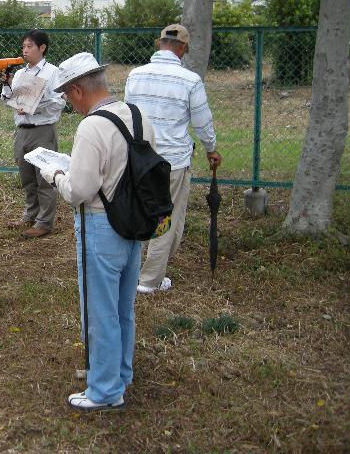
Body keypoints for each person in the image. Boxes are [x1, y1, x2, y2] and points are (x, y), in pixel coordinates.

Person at [41, 52, 156, 411]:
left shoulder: (92, 126)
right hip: (133, 222)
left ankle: (105, 390)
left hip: (99, 225)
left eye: (65, 95)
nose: (67, 102)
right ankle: (118, 373)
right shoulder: (137, 115)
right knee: (123, 306)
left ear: (77, 90)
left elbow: (80, 191)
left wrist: (56, 174)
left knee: (98, 309)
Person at [124, 24, 222, 294]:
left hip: (141, 158)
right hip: (173, 162)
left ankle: (132, 272)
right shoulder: (189, 80)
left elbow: (129, 114)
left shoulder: (135, 75)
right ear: (183, 49)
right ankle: (149, 280)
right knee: (167, 218)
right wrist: (211, 148)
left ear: (159, 44)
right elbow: (202, 121)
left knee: (141, 213)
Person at [0, 29, 65, 238]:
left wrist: (34, 106)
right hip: (23, 130)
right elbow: (9, 99)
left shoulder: (53, 72)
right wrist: (7, 85)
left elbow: (59, 102)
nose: (25, 50)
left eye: (29, 46)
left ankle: (44, 222)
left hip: (42, 130)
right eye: (23, 46)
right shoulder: (20, 73)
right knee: (27, 176)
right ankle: (31, 213)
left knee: (44, 177)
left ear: (42, 48)